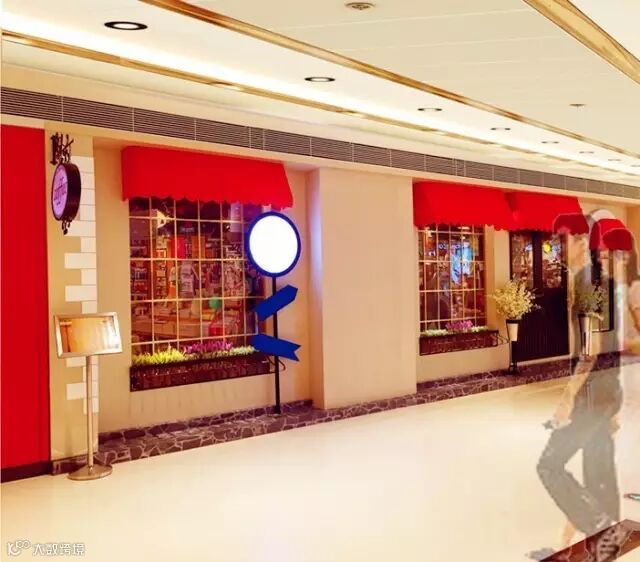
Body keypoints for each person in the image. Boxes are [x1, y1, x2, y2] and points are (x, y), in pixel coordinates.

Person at [530, 214, 624, 560]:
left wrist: (567, 398)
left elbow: (591, 348)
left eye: (565, 239)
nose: (561, 246)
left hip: (592, 395)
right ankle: (583, 543)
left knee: (550, 465)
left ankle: (602, 530)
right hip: (605, 392)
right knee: (597, 471)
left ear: (581, 241)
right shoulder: (600, 281)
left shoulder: (588, 283)